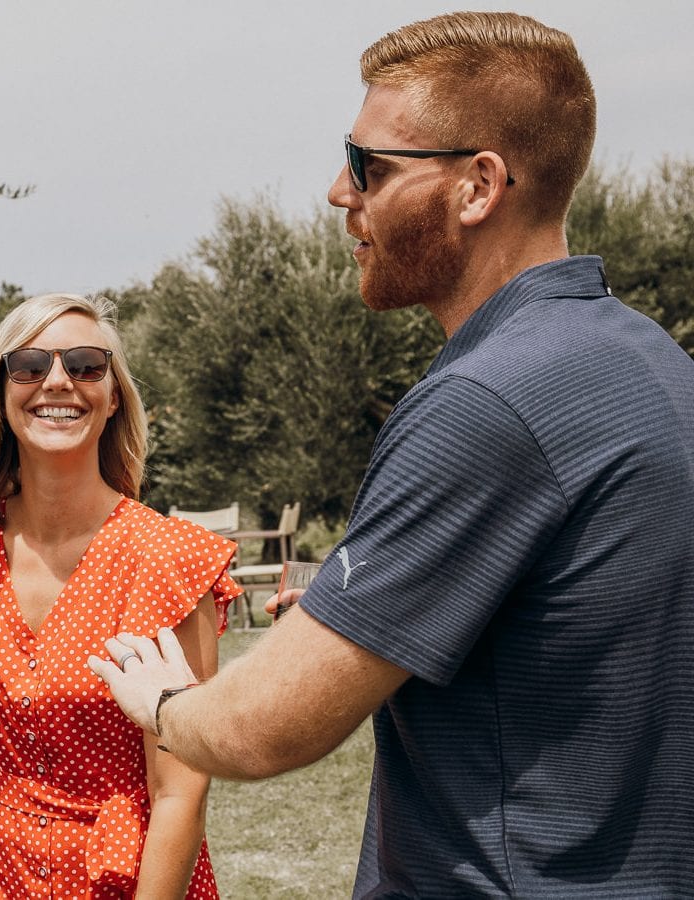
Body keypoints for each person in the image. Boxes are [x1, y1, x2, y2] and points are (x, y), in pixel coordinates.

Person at [91, 11, 694, 898]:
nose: (341, 192)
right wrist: (363, 599)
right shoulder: (652, 360)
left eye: (370, 164)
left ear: (478, 185)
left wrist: (164, 703)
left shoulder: (483, 402)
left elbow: (268, 728)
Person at [0, 293, 241, 898]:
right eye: (28, 365)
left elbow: (180, 788)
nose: (57, 381)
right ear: (0, 392)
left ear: (113, 397)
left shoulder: (169, 559)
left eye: (84, 365)